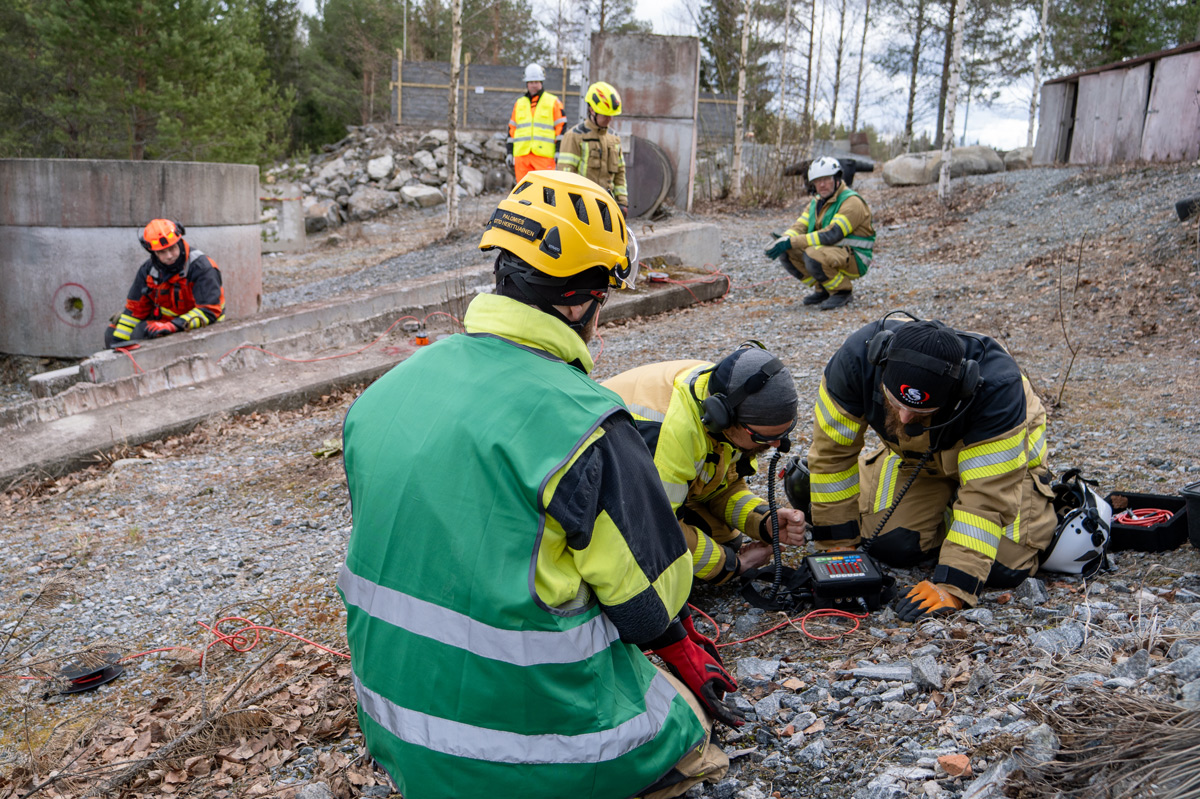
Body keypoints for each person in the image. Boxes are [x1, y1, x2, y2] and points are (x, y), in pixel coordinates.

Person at [337, 170, 742, 799]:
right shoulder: (587, 425)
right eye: (602, 301)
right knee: (681, 722)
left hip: (394, 729)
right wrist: (679, 651)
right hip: (529, 754)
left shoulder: (381, 395)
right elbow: (651, 605)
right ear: (579, 303)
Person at [805, 314, 1057, 621]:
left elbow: (987, 497)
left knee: (1004, 568)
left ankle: (1033, 509)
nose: (905, 419)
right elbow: (832, 456)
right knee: (891, 543)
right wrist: (838, 545)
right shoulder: (856, 362)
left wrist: (954, 584)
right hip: (922, 464)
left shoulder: (999, 391)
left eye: (920, 411)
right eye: (896, 404)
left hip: (1004, 472)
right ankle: (933, 507)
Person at [602, 347, 807, 588]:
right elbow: (660, 529)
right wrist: (736, 566)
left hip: (653, 492)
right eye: (762, 437)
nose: (776, 444)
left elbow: (722, 488)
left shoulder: (726, 396)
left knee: (725, 541)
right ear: (723, 417)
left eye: (784, 433)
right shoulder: (671, 436)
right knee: (666, 581)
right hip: (605, 504)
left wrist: (764, 521)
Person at [765, 155, 875, 311]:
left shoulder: (851, 202)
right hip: (834, 252)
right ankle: (823, 288)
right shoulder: (816, 202)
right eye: (817, 181)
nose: (821, 185)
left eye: (826, 179)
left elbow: (832, 235)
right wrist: (784, 239)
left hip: (856, 258)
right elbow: (800, 226)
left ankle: (842, 291)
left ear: (837, 179)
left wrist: (792, 241)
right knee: (787, 252)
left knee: (812, 253)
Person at [104, 219, 225, 349]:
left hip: (202, 324)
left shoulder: (201, 267)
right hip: (165, 323)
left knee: (140, 332)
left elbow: (209, 311)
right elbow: (135, 309)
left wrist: (171, 326)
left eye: (172, 248)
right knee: (111, 333)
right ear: (153, 253)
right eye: (161, 252)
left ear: (179, 242)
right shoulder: (148, 270)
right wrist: (118, 340)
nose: (169, 256)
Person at [557, 81, 629, 217]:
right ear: (592, 110)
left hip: (608, 205)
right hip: (582, 206)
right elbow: (565, 174)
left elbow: (620, 173)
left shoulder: (613, 138)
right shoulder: (574, 136)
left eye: (611, 115)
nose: (609, 119)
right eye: (605, 114)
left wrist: (622, 202)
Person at [506, 62, 566, 183]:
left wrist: (559, 151)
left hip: (544, 157)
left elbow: (561, 128)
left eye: (536, 82)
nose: (534, 85)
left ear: (541, 82)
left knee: (544, 193)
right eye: (531, 82)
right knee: (523, 194)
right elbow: (512, 130)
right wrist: (509, 152)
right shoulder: (519, 103)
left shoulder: (553, 101)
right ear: (527, 83)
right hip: (522, 156)